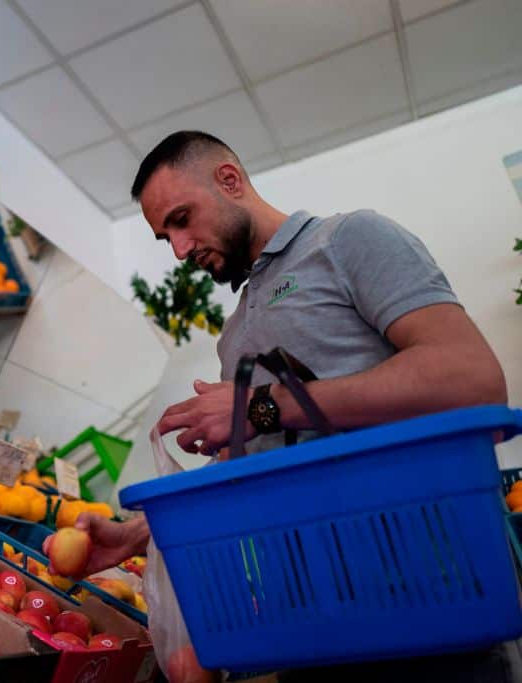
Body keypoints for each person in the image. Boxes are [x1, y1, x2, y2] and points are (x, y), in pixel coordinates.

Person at [47, 131, 513, 681]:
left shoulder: (348, 241)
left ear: (229, 180)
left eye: (181, 218)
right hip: (306, 633)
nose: (178, 249)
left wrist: (259, 406)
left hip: (432, 612)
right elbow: (251, 469)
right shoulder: (235, 334)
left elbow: (472, 379)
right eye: (163, 236)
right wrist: (135, 535)